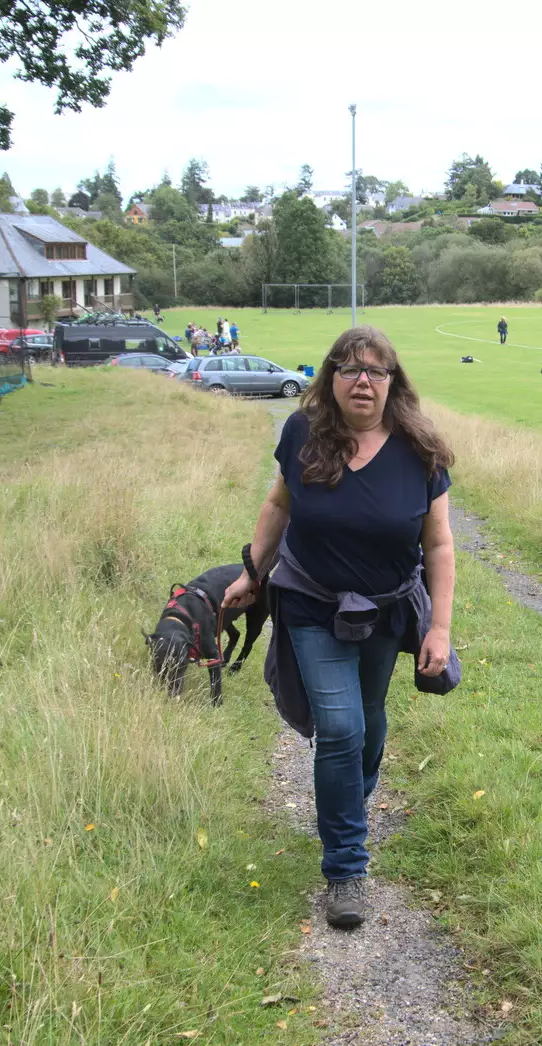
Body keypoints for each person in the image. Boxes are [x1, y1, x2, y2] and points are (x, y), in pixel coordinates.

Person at [222, 326, 457, 931]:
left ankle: (345, 801)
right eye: (350, 369)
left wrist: (441, 629)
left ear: (392, 383)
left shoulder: (420, 451)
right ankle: (346, 867)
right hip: (311, 602)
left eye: (376, 371)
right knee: (341, 728)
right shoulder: (303, 435)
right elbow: (279, 505)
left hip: (385, 608)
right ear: (330, 378)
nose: (363, 381)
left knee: (370, 723)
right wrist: (254, 572)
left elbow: (440, 546)